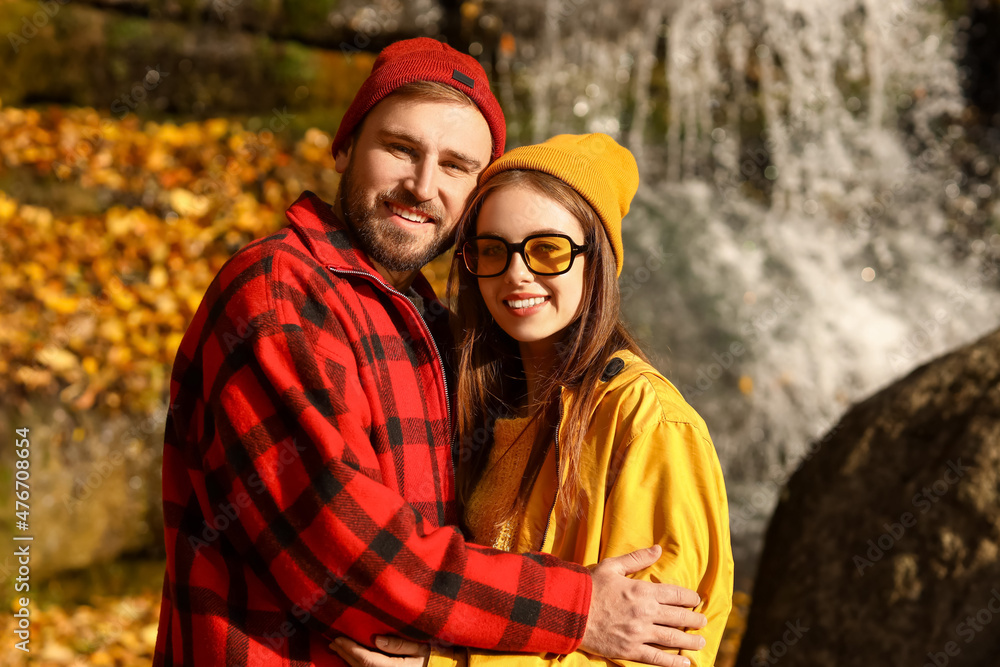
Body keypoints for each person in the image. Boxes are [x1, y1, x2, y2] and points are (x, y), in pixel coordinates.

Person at [153, 39, 707, 667]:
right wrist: (581, 611)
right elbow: (346, 552)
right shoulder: (280, 291)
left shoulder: (442, 329)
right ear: (344, 147)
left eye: (455, 165)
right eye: (400, 149)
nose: (422, 185)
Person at [331, 134, 734, 667]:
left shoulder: (648, 421)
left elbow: (664, 656)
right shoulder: (476, 399)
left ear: (597, 261)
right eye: (493, 250)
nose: (518, 272)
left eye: (548, 249)